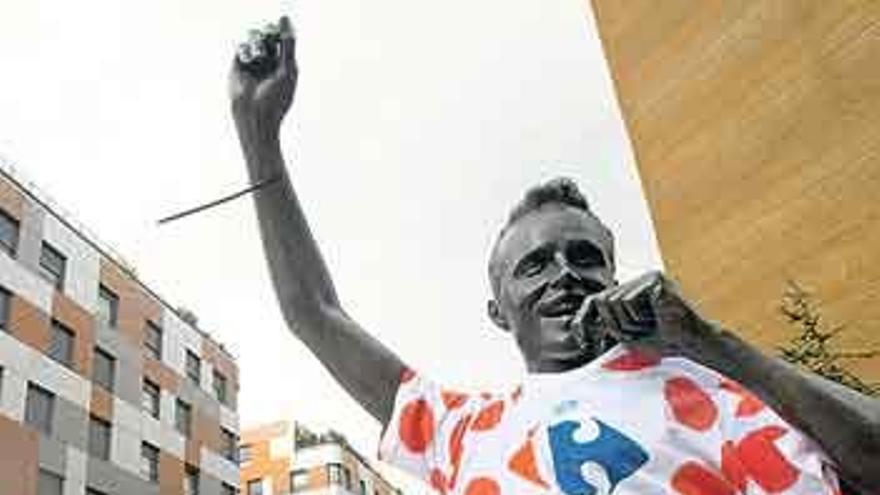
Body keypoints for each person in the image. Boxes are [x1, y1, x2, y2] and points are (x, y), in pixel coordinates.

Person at [229, 17, 880, 495]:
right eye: (533, 265)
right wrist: (259, 136)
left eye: (584, 256)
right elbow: (312, 312)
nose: (565, 272)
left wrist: (711, 342)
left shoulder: (718, 395)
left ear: (615, 277)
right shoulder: (464, 429)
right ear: (497, 309)